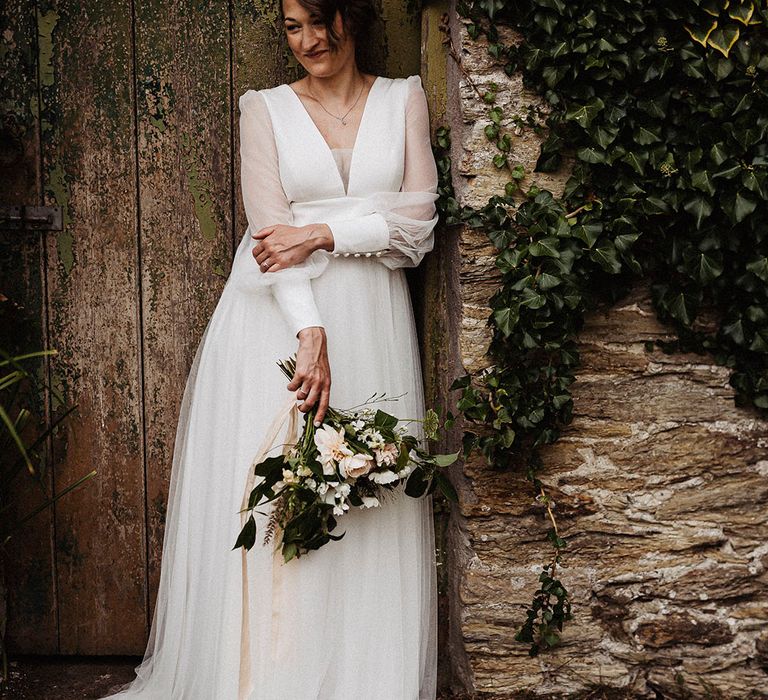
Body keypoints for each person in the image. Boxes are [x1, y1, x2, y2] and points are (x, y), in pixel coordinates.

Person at [101, 0, 440, 697]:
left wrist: (323, 234)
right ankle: (272, 679)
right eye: (292, 27)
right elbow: (268, 233)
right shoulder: (265, 109)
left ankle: (360, 676)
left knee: (370, 488)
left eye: (322, 21)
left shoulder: (405, 99)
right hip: (282, 320)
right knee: (284, 493)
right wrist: (310, 333)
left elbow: (419, 226)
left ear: (353, 18)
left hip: (375, 317)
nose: (310, 41)